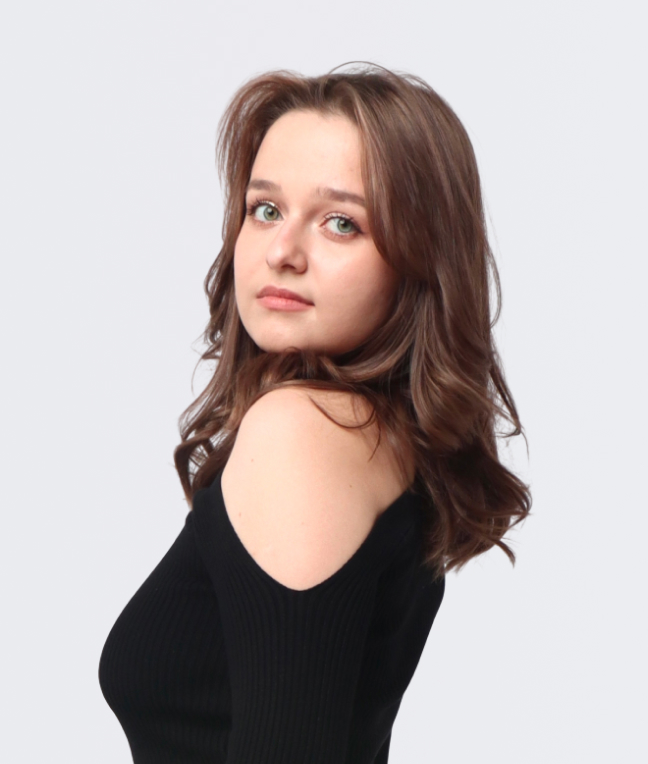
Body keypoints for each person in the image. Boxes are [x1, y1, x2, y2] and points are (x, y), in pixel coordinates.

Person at [99, 63, 531, 764]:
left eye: (341, 223)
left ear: (420, 257)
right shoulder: (374, 435)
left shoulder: (303, 432)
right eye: (265, 209)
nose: (282, 252)